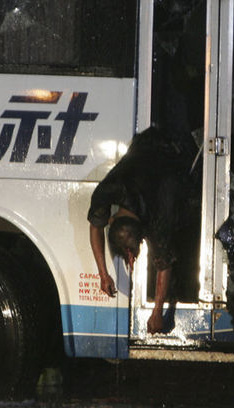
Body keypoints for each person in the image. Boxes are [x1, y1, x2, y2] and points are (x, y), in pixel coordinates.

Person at [87, 126, 198, 334]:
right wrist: (103, 274)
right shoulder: (108, 189)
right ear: (112, 220)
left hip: (178, 150)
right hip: (144, 145)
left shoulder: (160, 215)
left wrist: (157, 312)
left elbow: (164, 264)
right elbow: (95, 226)